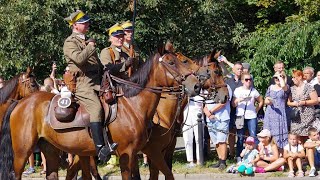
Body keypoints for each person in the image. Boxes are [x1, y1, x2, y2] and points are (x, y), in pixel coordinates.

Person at [63, 10, 117, 162]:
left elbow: (98, 66)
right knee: (96, 108)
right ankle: (100, 149)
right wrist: (91, 46)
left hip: (97, 82)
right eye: (83, 23)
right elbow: (79, 60)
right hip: (83, 84)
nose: (87, 24)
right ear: (74, 25)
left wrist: (121, 66)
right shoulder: (70, 42)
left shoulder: (86, 41)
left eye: (87, 22)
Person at [232, 72, 263, 162]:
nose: (248, 81)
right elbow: (233, 104)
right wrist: (239, 100)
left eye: (250, 79)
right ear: (242, 81)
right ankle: (239, 156)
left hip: (251, 115)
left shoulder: (254, 90)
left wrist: (256, 110)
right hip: (240, 115)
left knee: (253, 136)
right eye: (246, 80)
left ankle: (256, 156)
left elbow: (261, 100)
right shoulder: (237, 90)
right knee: (240, 137)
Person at [203, 85, 232, 169]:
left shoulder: (226, 87)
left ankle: (223, 161)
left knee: (222, 140)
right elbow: (205, 104)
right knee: (216, 141)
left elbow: (223, 102)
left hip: (222, 118)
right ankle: (219, 160)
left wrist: (211, 111)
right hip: (210, 119)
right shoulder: (208, 89)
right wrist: (207, 114)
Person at [287, 70, 318, 142]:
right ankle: (300, 152)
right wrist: (294, 104)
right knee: (296, 137)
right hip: (296, 117)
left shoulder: (309, 87)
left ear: (300, 77)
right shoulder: (292, 89)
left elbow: (315, 100)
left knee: (307, 138)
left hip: (307, 117)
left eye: (294, 77)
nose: (292, 79)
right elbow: (288, 102)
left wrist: (304, 102)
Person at [263, 71, 289, 152]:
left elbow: (284, 86)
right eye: (275, 77)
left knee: (279, 133)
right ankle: (269, 153)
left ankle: (280, 153)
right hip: (270, 112)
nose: (277, 79)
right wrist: (268, 101)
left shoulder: (286, 87)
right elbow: (266, 99)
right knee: (268, 133)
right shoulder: (270, 87)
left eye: (279, 77)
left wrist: (281, 77)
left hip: (280, 113)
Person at [224, 61, 243, 159]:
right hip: (231, 111)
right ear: (233, 70)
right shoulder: (228, 81)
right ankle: (231, 153)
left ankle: (240, 153)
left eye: (241, 69)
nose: (239, 71)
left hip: (242, 111)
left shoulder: (245, 80)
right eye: (238, 69)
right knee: (231, 133)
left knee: (241, 132)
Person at [182, 95, 204, 168]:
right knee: (187, 139)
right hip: (187, 116)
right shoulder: (185, 93)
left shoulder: (202, 93)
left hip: (198, 116)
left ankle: (199, 160)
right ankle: (190, 160)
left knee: (199, 139)